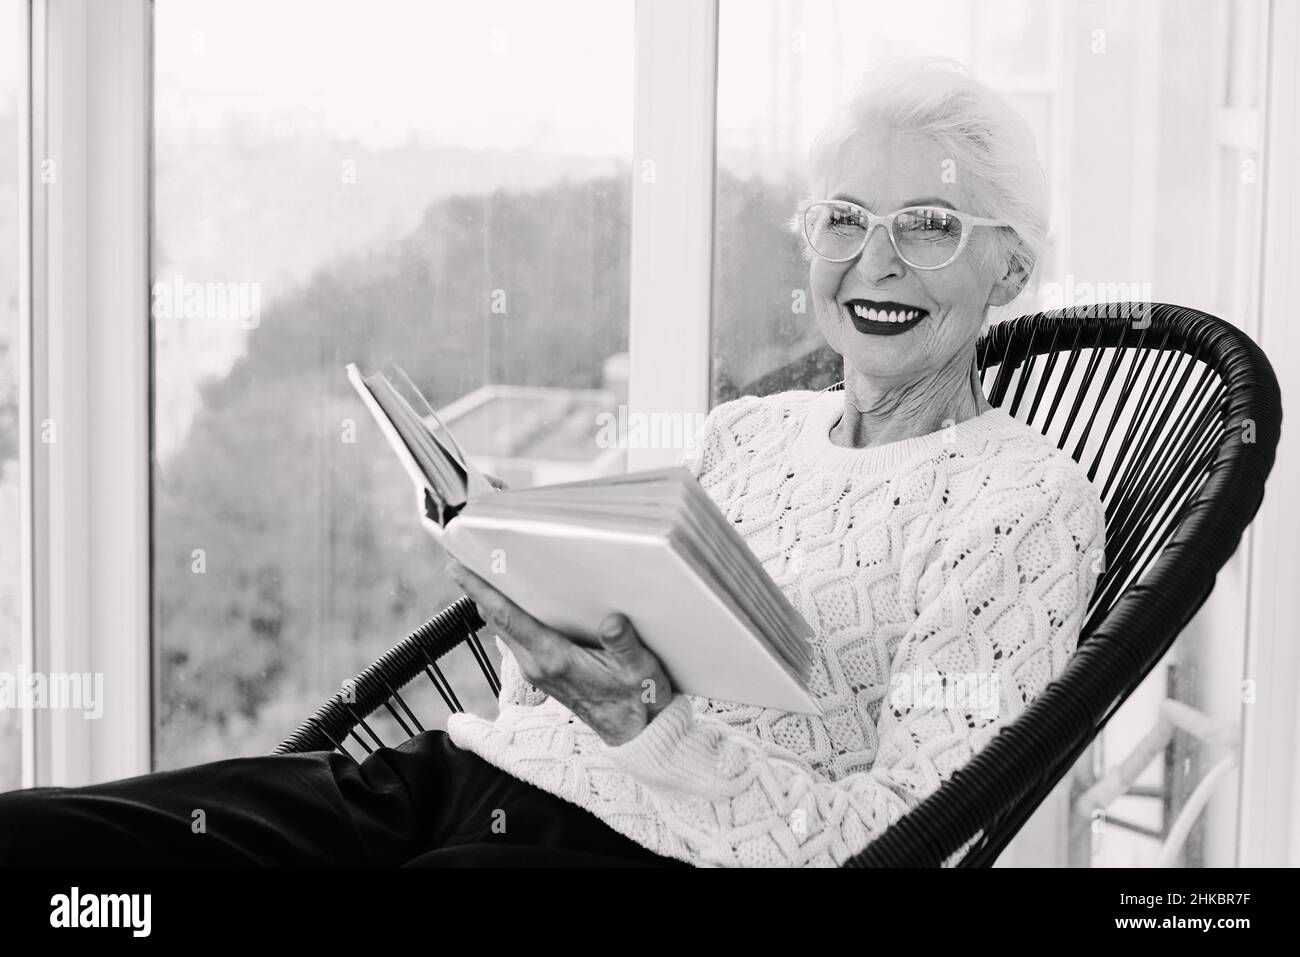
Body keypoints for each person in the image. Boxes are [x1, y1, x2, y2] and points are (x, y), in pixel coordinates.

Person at [0, 56, 1106, 868]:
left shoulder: (1021, 505)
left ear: (1012, 269)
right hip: (482, 770)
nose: (875, 259)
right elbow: (586, 659)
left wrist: (645, 727)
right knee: (62, 850)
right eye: (846, 219)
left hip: (641, 853)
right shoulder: (749, 436)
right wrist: (532, 597)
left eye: (929, 225)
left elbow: (908, 841)